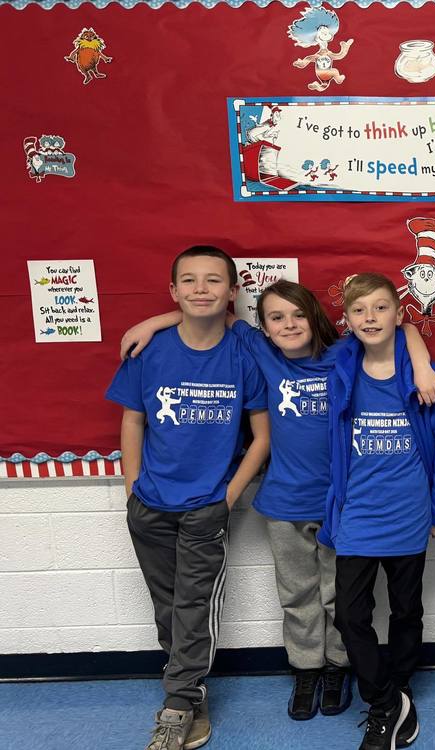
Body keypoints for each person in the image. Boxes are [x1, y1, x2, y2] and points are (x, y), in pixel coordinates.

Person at [119, 279, 435, 724]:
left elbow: (394, 328)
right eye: (276, 318)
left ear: (317, 318)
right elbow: (215, 316)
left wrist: (420, 357)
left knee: (338, 599)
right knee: (297, 596)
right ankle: (306, 670)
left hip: (340, 506)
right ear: (265, 328)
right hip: (285, 502)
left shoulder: (342, 355)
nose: (289, 325)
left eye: (298, 315)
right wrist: (159, 319)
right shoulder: (263, 355)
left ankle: (339, 669)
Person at [106, 245, 270, 750]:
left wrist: (227, 497)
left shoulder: (245, 349)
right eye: (190, 281)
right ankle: (188, 690)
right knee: (168, 605)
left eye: (214, 280)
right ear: (174, 290)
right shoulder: (149, 350)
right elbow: (132, 418)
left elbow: (261, 436)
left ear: (233, 291)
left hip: (206, 508)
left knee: (194, 605)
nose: (202, 289)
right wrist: (132, 485)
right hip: (150, 505)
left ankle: (178, 702)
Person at [320, 274, 435, 750]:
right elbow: (273, 340)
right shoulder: (340, 367)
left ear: (399, 315)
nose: (370, 318)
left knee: (406, 610)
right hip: (358, 514)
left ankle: (401, 687)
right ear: (347, 320)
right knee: (351, 616)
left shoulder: (423, 375)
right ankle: (384, 702)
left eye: (381, 308)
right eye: (359, 310)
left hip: (409, 514)